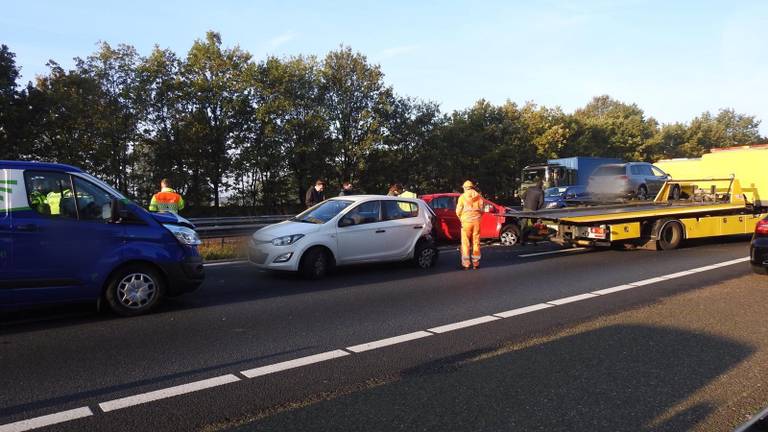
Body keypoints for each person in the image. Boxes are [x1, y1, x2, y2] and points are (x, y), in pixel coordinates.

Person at [456, 180, 484, 270]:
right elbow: (482, 210)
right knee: (476, 242)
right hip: (476, 222)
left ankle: (466, 264)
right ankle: (476, 263)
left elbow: (458, 211)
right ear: (472, 187)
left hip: (466, 222)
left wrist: (462, 219)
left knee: (465, 243)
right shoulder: (479, 197)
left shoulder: (462, 197)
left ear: (465, 188)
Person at [520, 178, 545, 244]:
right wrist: (537, 208)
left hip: (525, 208)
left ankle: (522, 240)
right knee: (535, 224)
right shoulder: (541, 191)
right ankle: (534, 240)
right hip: (533, 209)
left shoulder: (529, 188)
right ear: (541, 185)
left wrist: (526, 202)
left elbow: (522, 196)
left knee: (524, 224)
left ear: (536, 184)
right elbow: (541, 202)